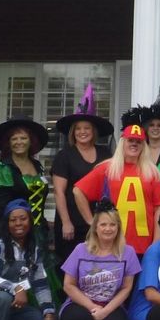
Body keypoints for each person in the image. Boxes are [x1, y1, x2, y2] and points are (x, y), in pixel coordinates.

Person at [59, 199, 140, 320]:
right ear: (95, 227)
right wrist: (92, 307)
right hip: (80, 303)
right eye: (103, 224)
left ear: (118, 228)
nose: (108, 229)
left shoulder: (128, 252)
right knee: (77, 319)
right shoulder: (81, 249)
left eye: (112, 225)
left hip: (110, 304)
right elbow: (68, 284)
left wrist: (105, 311)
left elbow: (127, 287)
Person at [0, 117, 56, 307]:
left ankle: (44, 317)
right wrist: (18, 228)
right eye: (14, 139)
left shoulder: (37, 166)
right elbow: (2, 204)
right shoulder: (3, 168)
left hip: (38, 231)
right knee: (19, 272)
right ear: (8, 143)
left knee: (40, 274)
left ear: (31, 141)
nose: (19, 142)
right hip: (15, 231)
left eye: (23, 138)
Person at [73, 122, 160, 256]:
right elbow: (78, 191)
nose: (134, 144)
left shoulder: (151, 172)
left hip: (143, 246)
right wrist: (91, 221)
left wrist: (156, 241)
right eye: (130, 140)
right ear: (123, 142)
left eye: (138, 141)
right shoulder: (108, 169)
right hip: (111, 244)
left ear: (143, 146)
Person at [52, 85, 115, 274]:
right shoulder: (65, 156)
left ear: (93, 131)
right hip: (73, 223)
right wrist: (66, 222)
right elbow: (59, 191)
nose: (82, 132)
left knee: (98, 267)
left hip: (99, 222)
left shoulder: (105, 153)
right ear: (73, 132)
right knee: (73, 268)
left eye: (87, 128)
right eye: (78, 128)